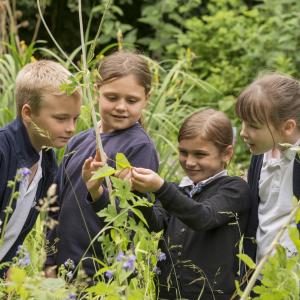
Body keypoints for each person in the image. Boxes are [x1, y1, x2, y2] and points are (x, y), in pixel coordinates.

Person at [44, 51, 159, 279]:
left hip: (103, 271)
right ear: (96, 90)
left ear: (147, 98)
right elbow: (55, 203)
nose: (121, 107)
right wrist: (48, 259)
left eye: (132, 100)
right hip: (63, 266)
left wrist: (97, 192)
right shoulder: (78, 140)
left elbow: (134, 220)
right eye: (112, 97)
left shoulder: (139, 146)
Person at [124, 109, 251, 299]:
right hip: (167, 293)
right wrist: (136, 191)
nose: (190, 162)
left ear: (226, 154)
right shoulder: (178, 190)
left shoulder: (234, 189)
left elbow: (204, 217)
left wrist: (161, 188)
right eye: (183, 152)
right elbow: (155, 224)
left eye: (200, 154)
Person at [0, 60, 82, 273]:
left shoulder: (46, 160)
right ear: (28, 113)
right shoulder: (3, 152)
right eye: (61, 118)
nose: (71, 128)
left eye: (75, 118)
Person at [235, 73, 300, 265]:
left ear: (287, 127)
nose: (243, 132)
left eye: (253, 126)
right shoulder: (260, 156)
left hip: (290, 279)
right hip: (259, 275)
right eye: (243, 122)